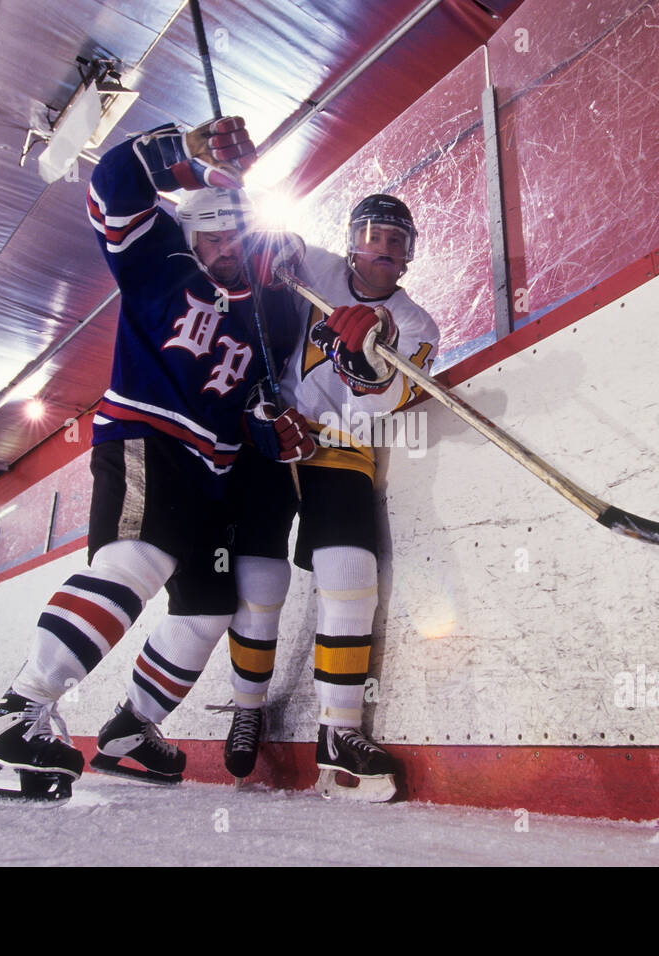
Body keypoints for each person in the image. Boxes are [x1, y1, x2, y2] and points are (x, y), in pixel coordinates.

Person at [0, 116, 313, 803]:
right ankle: (17, 709)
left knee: (208, 612)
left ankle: (130, 728)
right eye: (216, 234)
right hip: (146, 440)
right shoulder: (159, 259)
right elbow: (111, 187)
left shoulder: (268, 317)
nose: (228, 247)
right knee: (132, 564)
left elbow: (255, 405)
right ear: (192, 231)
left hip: (212, 476)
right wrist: (183, 152)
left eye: (239, 236)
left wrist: (273, 428)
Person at [221, 194, 440, 802]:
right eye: (373, 234)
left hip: (345, 441)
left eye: (397, 239)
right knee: (260, 576)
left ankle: (338, 732)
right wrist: (259, 247)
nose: (384, 247)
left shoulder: (417, 324)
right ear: (351, 239)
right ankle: (247, 708)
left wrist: (365, 366)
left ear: (409, 255)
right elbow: (270, 248)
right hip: (278, 426)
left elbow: (385, 400)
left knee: (352, 571)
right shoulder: (312, 267)